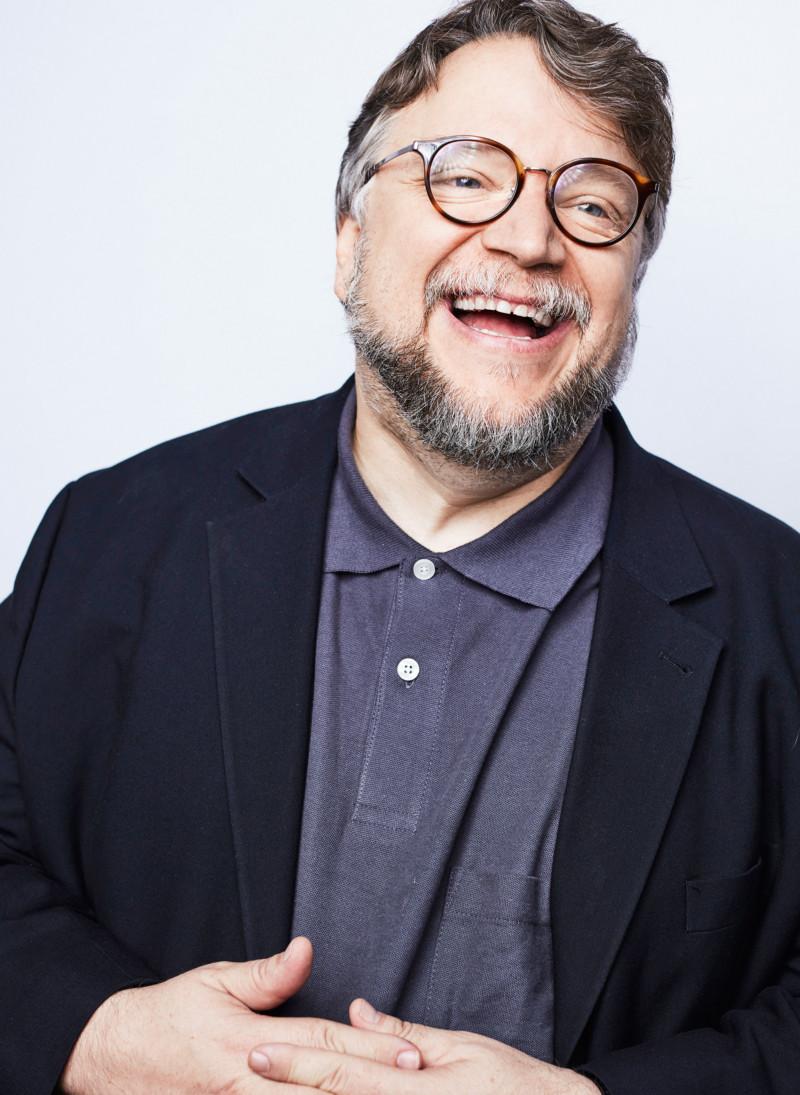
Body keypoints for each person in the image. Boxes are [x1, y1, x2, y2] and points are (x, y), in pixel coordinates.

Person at [2, 0, 798, 1092]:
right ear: (349, 242)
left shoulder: (779, 613)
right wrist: (92, 1033)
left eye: (592, 202)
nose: (529, 239)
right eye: (464, 176)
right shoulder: (108, 535)